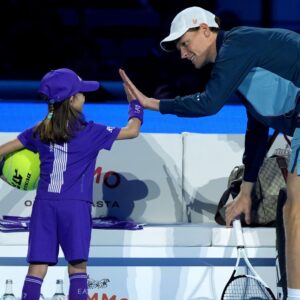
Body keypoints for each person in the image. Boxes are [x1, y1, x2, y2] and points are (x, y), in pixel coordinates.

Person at [119, 6, 300, 299]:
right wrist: (246, 191)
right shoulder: (240, 60)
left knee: (295, 208)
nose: (182, 53)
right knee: (290, 205)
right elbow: (258, 125)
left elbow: (208, 104)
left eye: (184, 43)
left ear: (205, 30)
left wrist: (152, 103)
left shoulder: (236, 45)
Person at [0, 68, 143, 300]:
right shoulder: (91, 132)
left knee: (37, 268)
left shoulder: (38, 131)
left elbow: (1, 152)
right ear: (72, 99)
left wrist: (6, 174)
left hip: (44, 207)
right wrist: (135, 105)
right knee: (77, 268)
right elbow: (133, 131)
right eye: (82, 93)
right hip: (75, 208)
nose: (85, 97)